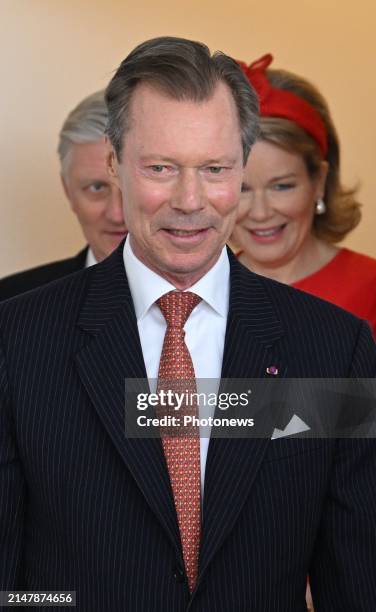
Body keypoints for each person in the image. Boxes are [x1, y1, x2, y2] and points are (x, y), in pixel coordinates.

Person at [0, 37, 375, 612]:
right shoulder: (17, 339)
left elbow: (354, 582)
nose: (190, 199)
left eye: (215, 169)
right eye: (161, 168)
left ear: (241, 167)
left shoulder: (336, 347)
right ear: (113, 163)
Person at [231, 54, 376, 337]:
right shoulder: (192, 295)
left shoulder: (370, 289)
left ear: (319, 180)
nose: (260, 213)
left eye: (281, 186)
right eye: (242, 189)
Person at [0, 90, 126, 301]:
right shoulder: (9, 303)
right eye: (96, 188)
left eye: (128, 187)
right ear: (68, 191)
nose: (117, 214)